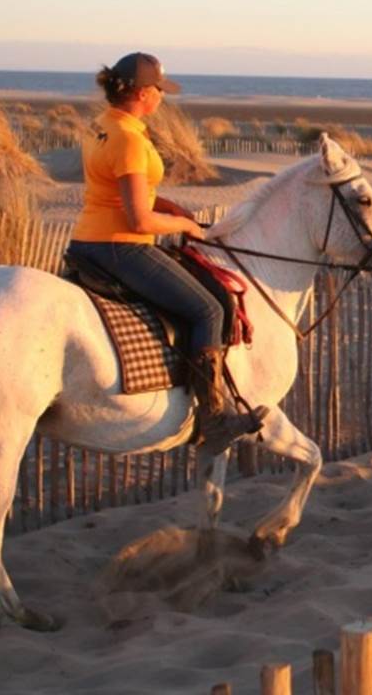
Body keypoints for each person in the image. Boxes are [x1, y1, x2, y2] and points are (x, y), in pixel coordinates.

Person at [67, 53, 267, 455]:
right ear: (142, 92)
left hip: (88, 238)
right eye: (159, 88)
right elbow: (140, 221)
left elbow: (116, 190)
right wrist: (187, 226)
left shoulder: (104, 125)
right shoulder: (129, 140)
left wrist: (168, 205)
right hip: (120, 245)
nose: (162, 96)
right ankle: (213, 418)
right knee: (208, 310)